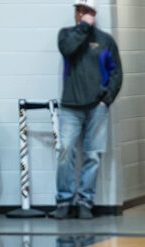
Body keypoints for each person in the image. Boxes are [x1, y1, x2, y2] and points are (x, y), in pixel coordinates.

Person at [50, 0, 122, 220]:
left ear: (94, 13)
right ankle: (64, 201)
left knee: (92, 155)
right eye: (78, 11)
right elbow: (67, 49)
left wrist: (106, 100)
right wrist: (83, 28)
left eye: (86, 11)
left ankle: (85, 202)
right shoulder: (66, 35)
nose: (80, 14)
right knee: (65, 152)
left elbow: (117, 72)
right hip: (71, 106)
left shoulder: (105, 41)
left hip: (97, 108)